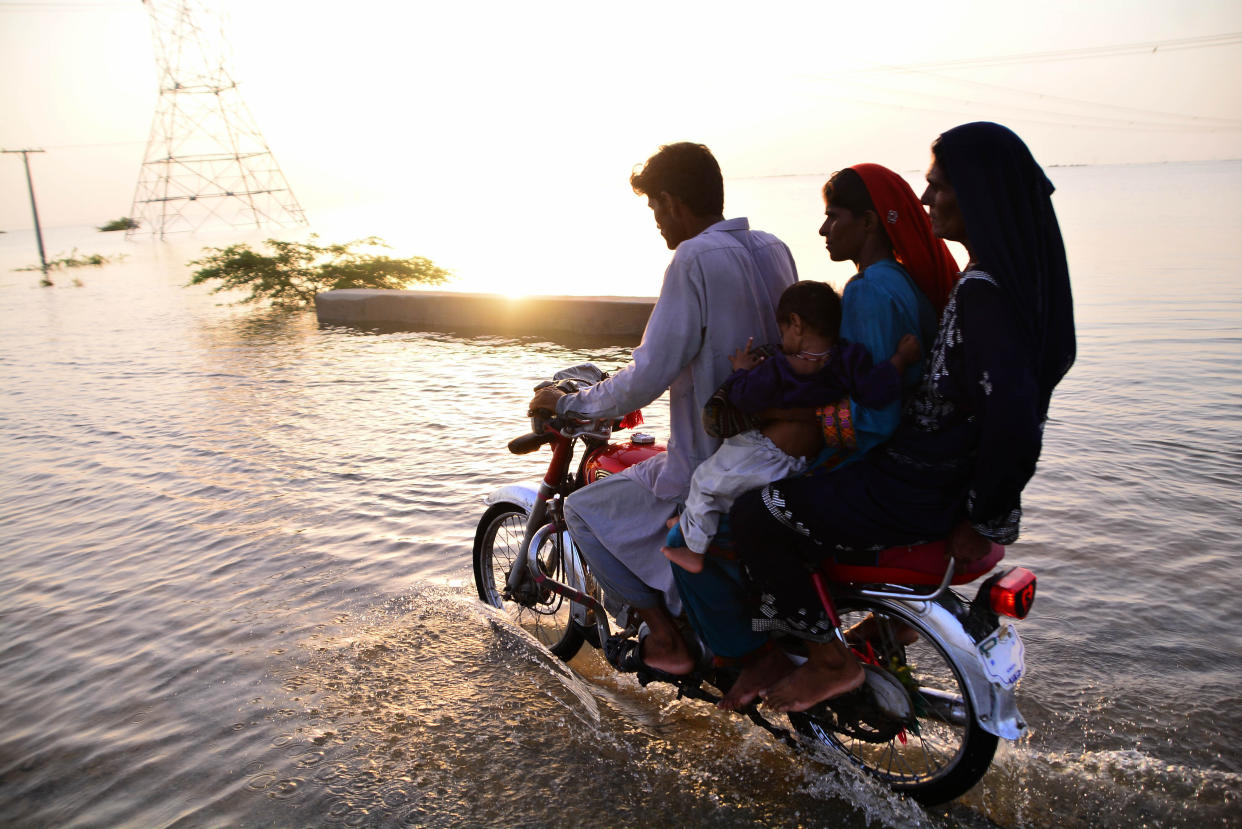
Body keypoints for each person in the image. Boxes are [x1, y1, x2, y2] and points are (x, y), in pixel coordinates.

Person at [723, 122, 1076, 712]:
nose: (926, 199)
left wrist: (981, 518)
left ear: (980, 194)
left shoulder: (936, 292)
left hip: (912, 483)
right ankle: (884, 630)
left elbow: (887, 415)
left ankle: (827, 660)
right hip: (934, 474)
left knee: (754, 513)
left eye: (939, 185)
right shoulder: (992, 285)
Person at [669, 163, 956, 705]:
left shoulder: (870, 292)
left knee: (735, 522)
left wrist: (788, 422)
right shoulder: (898, 282)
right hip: (906, 464)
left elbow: (873, 416)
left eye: (833, 217)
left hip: (872, 463)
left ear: (868, 223)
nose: (824, 230)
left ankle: (784, 656)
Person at [527, 142, 797, 676]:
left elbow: (649, 373)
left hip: (710, 461)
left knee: (581, 512)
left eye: (654, 208)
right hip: (782, 451)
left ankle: (667, 636)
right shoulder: (774, 247)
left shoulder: (693, 258)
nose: (655, 221)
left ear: (673, 202)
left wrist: (572, 402)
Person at [662, 280, 921, 574]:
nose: (781, 337)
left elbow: (744, 398)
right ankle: (690, 522)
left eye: (783, 329)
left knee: (706, 481)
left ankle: (695, 550)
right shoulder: (849, 359)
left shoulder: (780, 369)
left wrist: (741, 371)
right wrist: (900, 358)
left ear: (796, 324)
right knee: (729, 487)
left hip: (764, 450)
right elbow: (877, 390)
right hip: (800, 462)